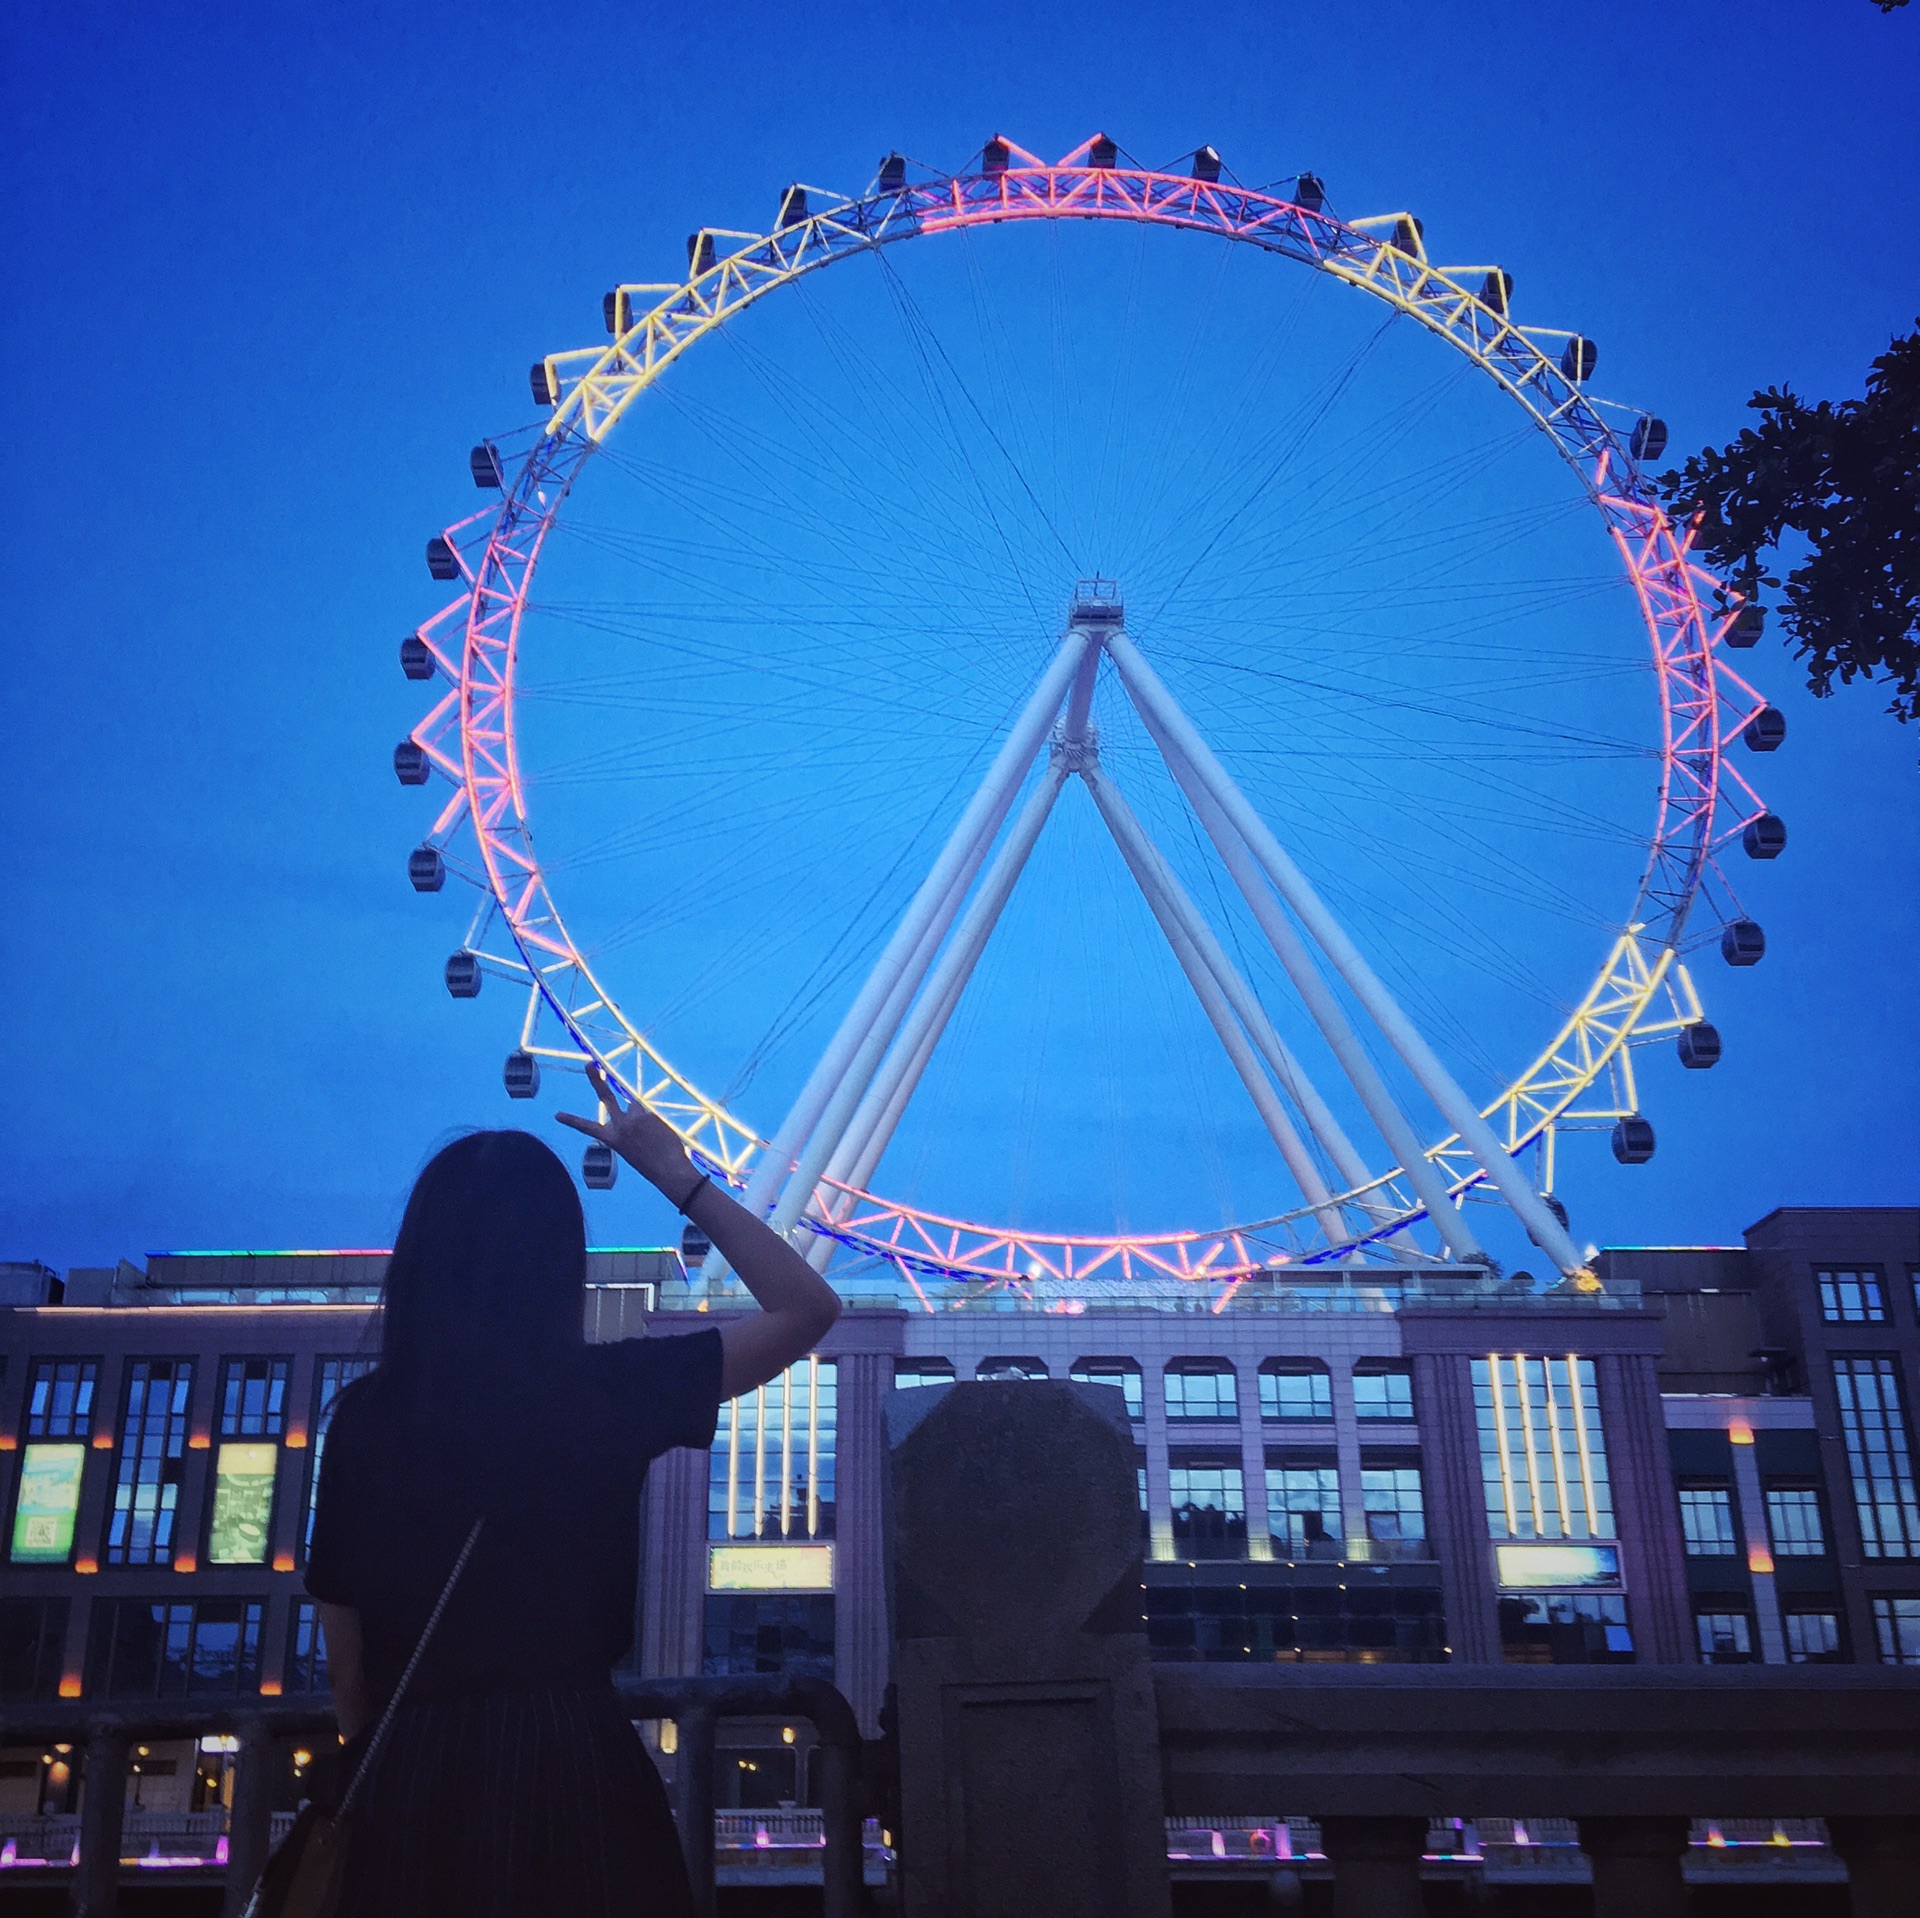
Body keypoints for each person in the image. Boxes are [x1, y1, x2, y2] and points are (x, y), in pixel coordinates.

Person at [305, 1064, 841, 1917]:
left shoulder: (365, 1422)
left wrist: (396, 1769)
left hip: (410, 1788)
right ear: (561, 1264)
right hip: (572, 1768)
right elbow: (807, 1307)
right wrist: (677, 1174)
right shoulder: (606, 1392)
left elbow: (349, 1671)